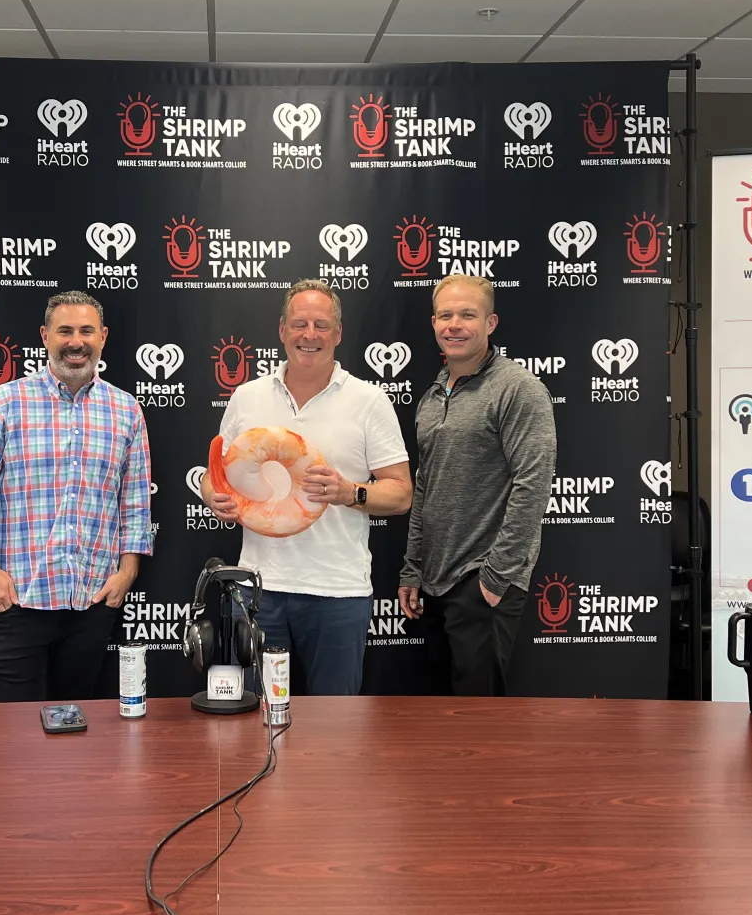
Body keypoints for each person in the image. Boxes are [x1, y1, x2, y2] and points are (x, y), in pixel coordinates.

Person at [202, 279, 411, 695]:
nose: (309, 335)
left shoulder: (369, 401)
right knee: (256, 724)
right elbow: (215, 473)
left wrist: (349, 492)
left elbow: (401, 493)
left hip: (337, 591)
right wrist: (212, 495)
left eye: (321, 324)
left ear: (338, 333)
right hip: (258, 590)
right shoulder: (247, 397)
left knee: (335, 728)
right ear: (282, 331)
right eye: (299, 324)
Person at [0, 291, 152, 702]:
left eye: (86, 331)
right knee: (11, 740)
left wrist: (127, 573)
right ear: (45, 336)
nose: (76, 342)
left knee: (76, 733)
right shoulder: (2, 403)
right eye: (65, 331)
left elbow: (135, 503)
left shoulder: (126, 410)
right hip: (18, 601)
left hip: (90, 604)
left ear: (103, 337)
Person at [398, 275, 557, 696]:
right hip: (434, 580)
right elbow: (425, 487)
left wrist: (495, 578)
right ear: (433, 323)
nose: (455, 324)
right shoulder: (432, 396)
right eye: (446, 315)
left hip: (483, 580)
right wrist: (414, 568)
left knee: (480, 722)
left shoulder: (519, 389)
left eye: (468, 314)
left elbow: (533, 484)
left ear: (490, 322)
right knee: (440, 719)